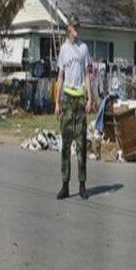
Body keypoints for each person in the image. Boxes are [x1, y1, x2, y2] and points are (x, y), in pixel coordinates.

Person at [55, 14, 92, 200]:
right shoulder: (63, 50)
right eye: (74, 26)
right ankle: (65, 185)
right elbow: (60, 76)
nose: (77, 29)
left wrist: (90, 97)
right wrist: (56, 101)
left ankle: (82, 184)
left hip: (80, 99)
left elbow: (87, 74)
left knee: (81, 144)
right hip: (67, 99)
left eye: (78, 26)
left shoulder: (84, 48)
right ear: (69, 28)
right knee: (66, 144)